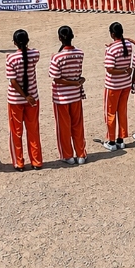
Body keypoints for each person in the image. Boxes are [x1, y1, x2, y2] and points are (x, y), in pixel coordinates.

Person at [49, 25, 87, 164]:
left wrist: (72, 83)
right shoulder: (80, 53)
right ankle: (81, 153)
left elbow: (56, 78)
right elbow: (77, 74)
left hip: (62, 97)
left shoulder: (57, 57)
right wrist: (77, 82)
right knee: (77, 125)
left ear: (60, 38)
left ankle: (68, 155)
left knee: (63, 127)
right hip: (75, 95)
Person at [5, 29, 42, 171]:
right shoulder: (35, 54)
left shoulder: (11, 59)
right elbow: (32, 52)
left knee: (16, 131)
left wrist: (24, 95)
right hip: (33, 98)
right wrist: (27, 95)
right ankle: (36, 161)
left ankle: (19, 162)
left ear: (14, 43)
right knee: (33, 130)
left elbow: (13, 81)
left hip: (16, 100)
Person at [103, 22, 134, 151]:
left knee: (110, 113)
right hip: (125, 84)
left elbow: (110, 69)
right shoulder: (128, 45)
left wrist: (122, 71)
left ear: (113, 34)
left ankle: (111, 140)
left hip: (114, 85)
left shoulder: (111, 49)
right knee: (122, 111)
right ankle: (120, 138)